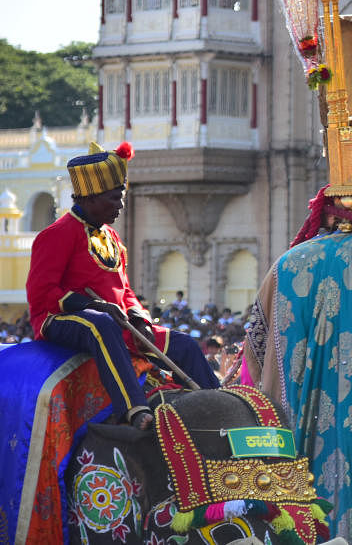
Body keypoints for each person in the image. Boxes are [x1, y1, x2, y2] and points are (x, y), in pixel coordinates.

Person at [26, 142, 219, 430]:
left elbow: (125, 290)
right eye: (114, 199)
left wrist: (139, 316)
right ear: (90, 198)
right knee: (101, 325)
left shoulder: (113, 238)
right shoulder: (56, 234)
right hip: (60, 319)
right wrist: (91, 305)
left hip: (116, 321)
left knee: (184, 344)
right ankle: (132, 408)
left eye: (122, 198)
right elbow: (41, 293)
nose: (121, 206)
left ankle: (218, 403)